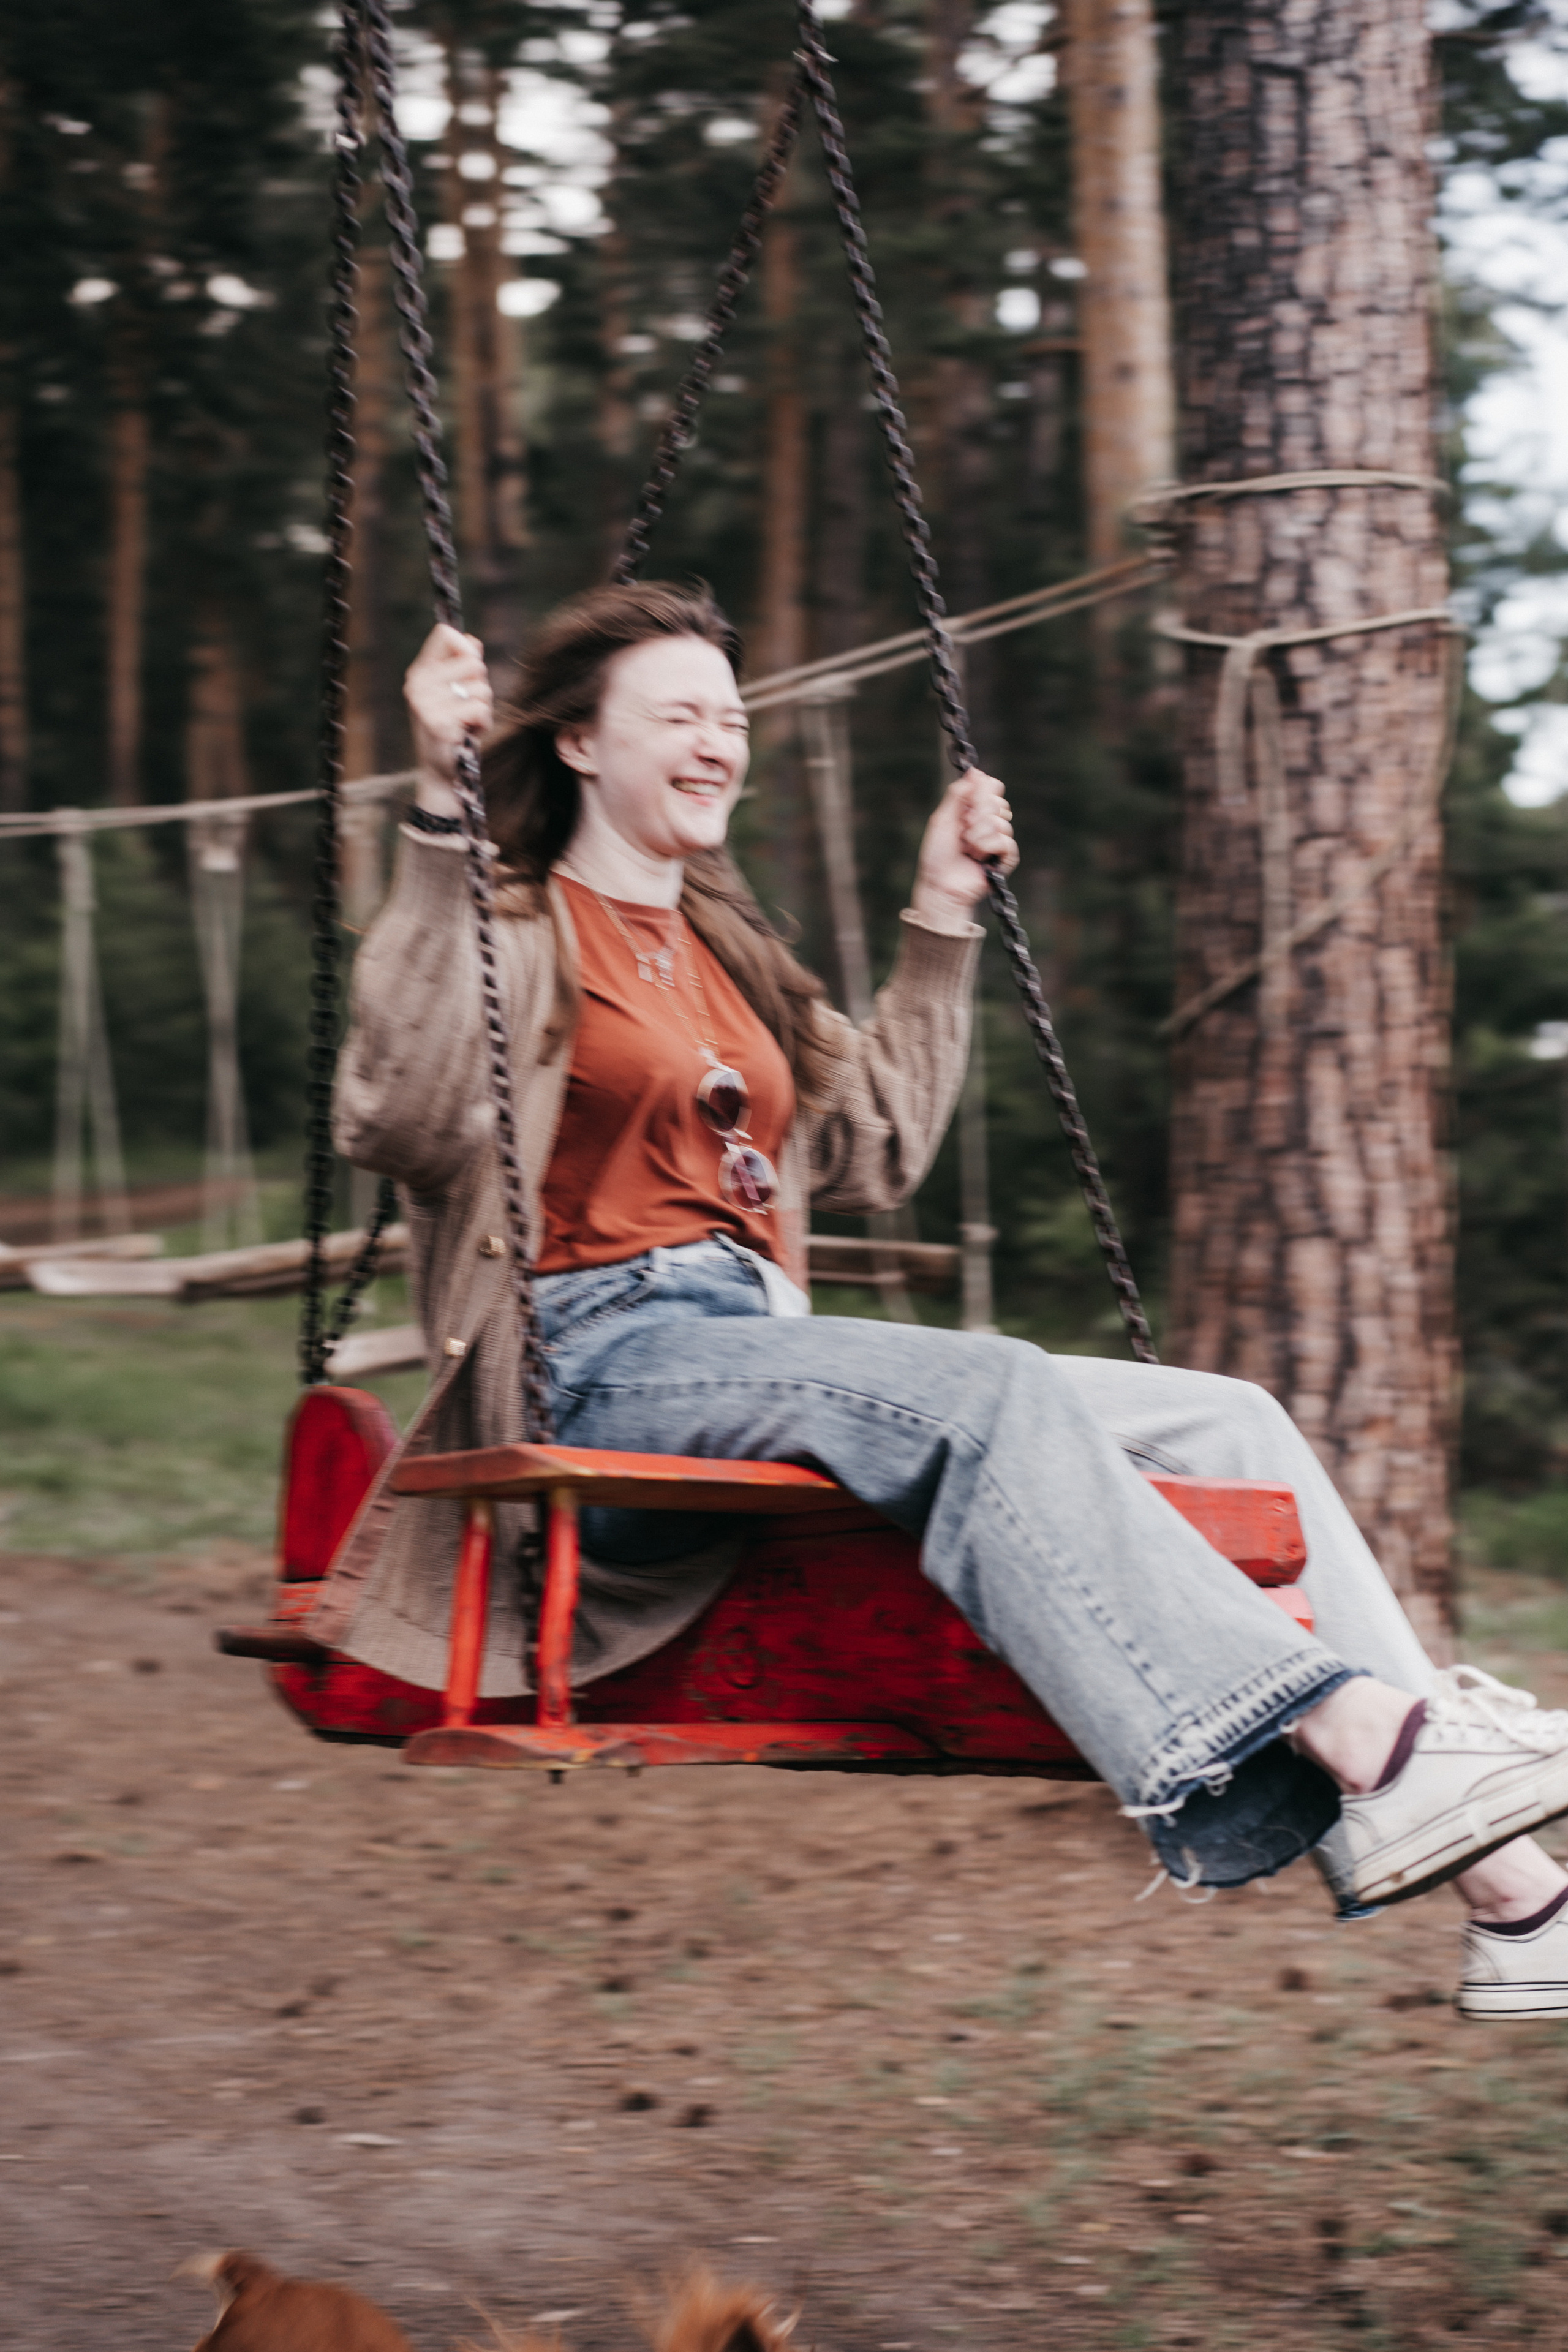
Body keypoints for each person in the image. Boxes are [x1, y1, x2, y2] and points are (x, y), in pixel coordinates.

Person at [322, 581, 1568, 2022]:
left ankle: (1513, 1898)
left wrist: (940, 911)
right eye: (677, 715)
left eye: (730, 717)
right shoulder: (517, 927)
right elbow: (396, 1113)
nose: (717, 741)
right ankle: (1374, 1735)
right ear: (584, 746)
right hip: (594, 1359)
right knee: (988, 1386)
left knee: (1222, 1418)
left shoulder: (730, 956)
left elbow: (879, 1143)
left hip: (749, 1350)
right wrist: (437, 812)